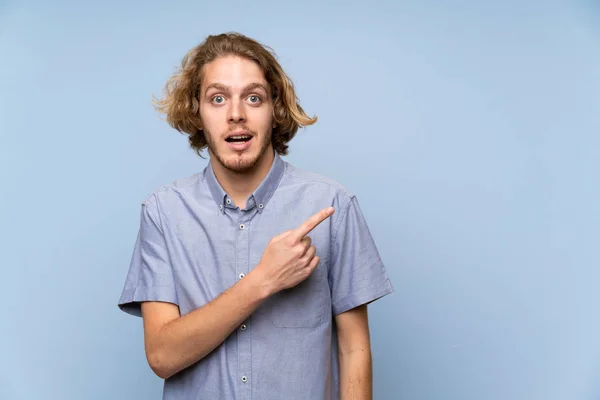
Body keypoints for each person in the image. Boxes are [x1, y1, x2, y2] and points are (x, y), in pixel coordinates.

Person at [117, 32, 394, 400]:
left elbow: (354, 349)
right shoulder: (163, 213)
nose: (236, 114)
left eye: (253, 97)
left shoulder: (332, 205)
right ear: (196, 111)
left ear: (275, 109)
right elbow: (162, 356)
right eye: (217, 98)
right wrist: (263, 280)